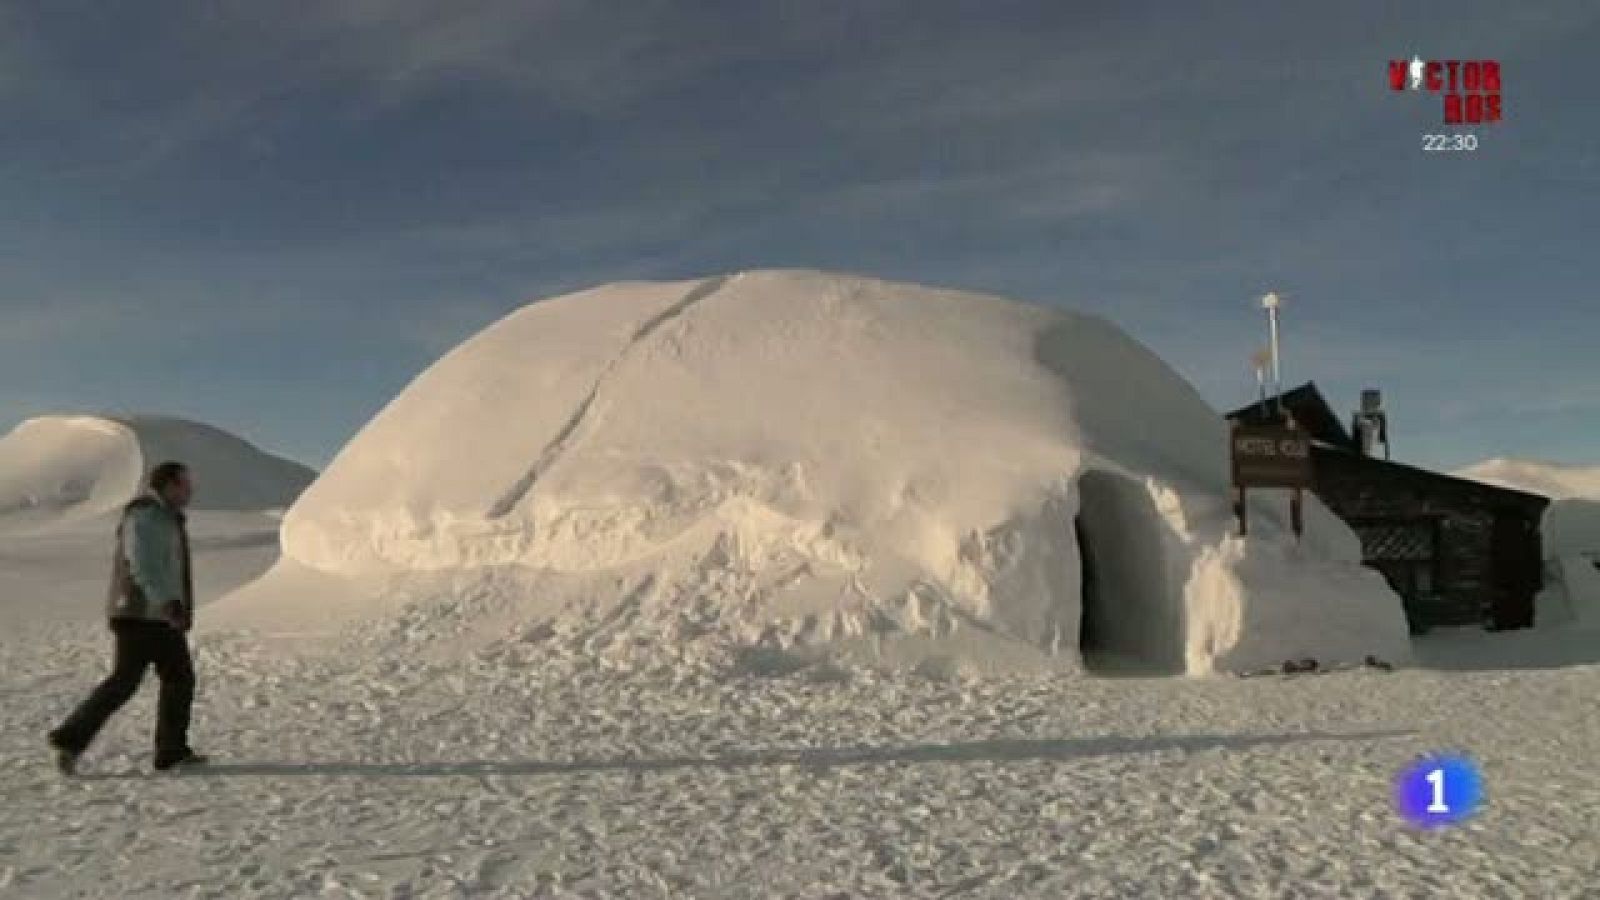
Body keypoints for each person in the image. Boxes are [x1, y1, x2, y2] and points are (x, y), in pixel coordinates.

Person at [48, 462, 207, 774]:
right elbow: (142, 564)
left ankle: (171, 752)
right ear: (169, 486)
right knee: (125, 682)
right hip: (140, 614)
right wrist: (167, 602)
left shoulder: (168, 519)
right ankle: (70, 738)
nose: (190, 491)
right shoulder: (145, 516)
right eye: (185, 485)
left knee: (178, 679)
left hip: (161, 616)